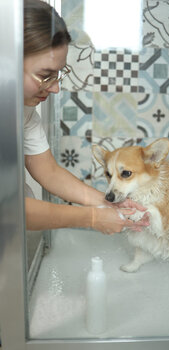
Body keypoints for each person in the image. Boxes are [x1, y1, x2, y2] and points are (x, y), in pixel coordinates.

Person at [23, 0, 149, 235]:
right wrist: (91, 217)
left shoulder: (23, 113)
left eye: (58, 75)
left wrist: (107, 202)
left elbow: (48, 172)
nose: (55, 89)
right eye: (45, 75)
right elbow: (9, 210)